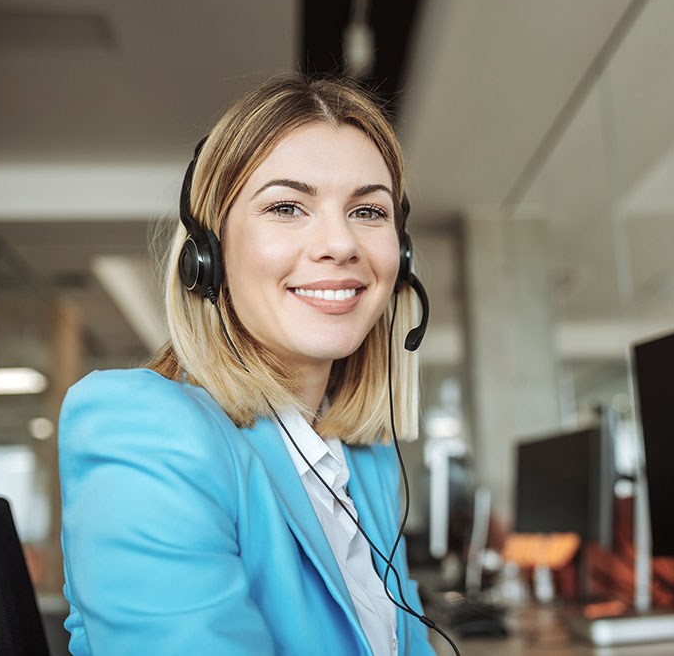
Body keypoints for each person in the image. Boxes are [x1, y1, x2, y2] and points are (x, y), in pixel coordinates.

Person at [59, 74, 440, 656]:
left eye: (369, 211)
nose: (340, 243)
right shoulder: (141, 426)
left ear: (401, 254)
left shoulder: (370, 463)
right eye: (287, 207)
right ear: (208, 254)